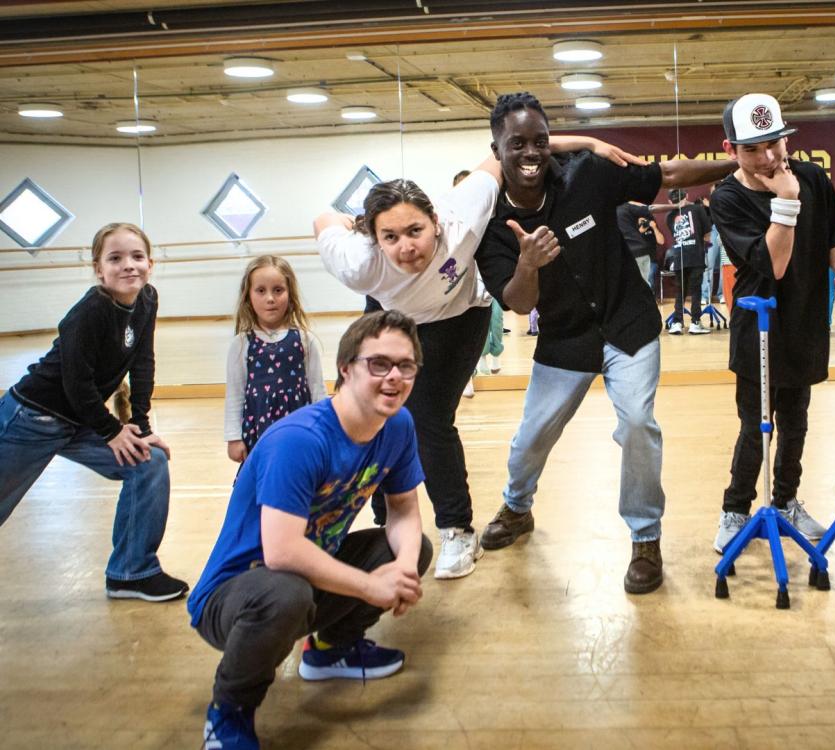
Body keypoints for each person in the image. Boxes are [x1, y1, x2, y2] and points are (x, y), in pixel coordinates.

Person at [314, 133, 639, 580]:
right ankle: (383, 524)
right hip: (389, 315)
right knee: (367, 415)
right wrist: (350, 225)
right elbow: (323, 218)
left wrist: (591, 143)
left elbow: (513, 146)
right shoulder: (356, 260)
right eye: (390, 237)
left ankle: (456, 528)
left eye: (415, 231)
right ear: (373, 236)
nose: (407, 247)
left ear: (435, 220)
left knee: (427, 417)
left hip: (457, 316)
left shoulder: (463, 212)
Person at [474, 91, 737, 594]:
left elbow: (667, 176)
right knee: (531, 438)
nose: (531, 154)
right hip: (565, 340)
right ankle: (517, 505)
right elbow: (516, 303)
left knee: (639, 423)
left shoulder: (586, 177)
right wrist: (528, 263)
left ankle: (645, 537)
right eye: (517, 144)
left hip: (627, 325)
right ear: (498, 149)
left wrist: (737, 162)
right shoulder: (491, 227)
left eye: (540, 142)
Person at [189, 311, 431, 750]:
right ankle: (227, 713)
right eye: (378, 363)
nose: (394, 377)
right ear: (346, 368)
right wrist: (368, 586)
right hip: (236, 597)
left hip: (302, 580)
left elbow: (403, 512)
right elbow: (281, 552)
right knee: (286, 593)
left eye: (405, 365)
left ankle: (329, 650)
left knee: (408, 551)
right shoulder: (299, 440)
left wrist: (404, 572)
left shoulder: (398, 425)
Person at [709, 92, 835, 553]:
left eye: (774, 144)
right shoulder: (728, 199)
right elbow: (773, 263)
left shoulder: (813, 178)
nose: (767, 157)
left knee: (796, 422)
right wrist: (786, 201)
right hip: (757, 324)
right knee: (754, 426)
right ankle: (735, 508)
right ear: (730, 150)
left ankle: (785, 502)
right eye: (752, 149)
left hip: (804, 319)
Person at [0, 223, 187, 602]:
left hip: (81, 421)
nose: (128, 266)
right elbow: (76, 383)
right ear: (99, 269)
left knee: (148, 461)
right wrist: (111, 431)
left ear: (150, 263)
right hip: (32, 418)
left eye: (137, 257)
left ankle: (131, 573)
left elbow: (143, 362)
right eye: (115, 258)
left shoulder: (147, 299)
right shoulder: (89, 312)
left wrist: (139, 426)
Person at [224, 255, 326, 463]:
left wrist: (325, 429)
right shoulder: (242, 344)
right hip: (259, 431)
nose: (270, 298)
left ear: (290, 294)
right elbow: (235, 394)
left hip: (299, 427)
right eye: (261, 291)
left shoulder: (305, 340)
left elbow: (317, 389)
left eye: (278, 290)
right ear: (248, 296)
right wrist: (233, 438)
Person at [665, 188, 713, 334]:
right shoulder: (698, 209)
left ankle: (677, 323)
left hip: (678, 257)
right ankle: (695, 323)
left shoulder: (669, 216)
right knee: (696, 291)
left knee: (680, 292)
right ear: (686, 195)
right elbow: (707, 235)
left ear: (669, 201)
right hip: (696, 255)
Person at [617, 199, 662, 290]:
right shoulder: (632, 229)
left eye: (645, 220)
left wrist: (654, 228)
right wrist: (640, 230)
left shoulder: (651, 228)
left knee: (648, 278)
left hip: (651, 259)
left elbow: (661, 241)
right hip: (635, 255)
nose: (643, 222)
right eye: (641, 221)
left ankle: (649, 297)